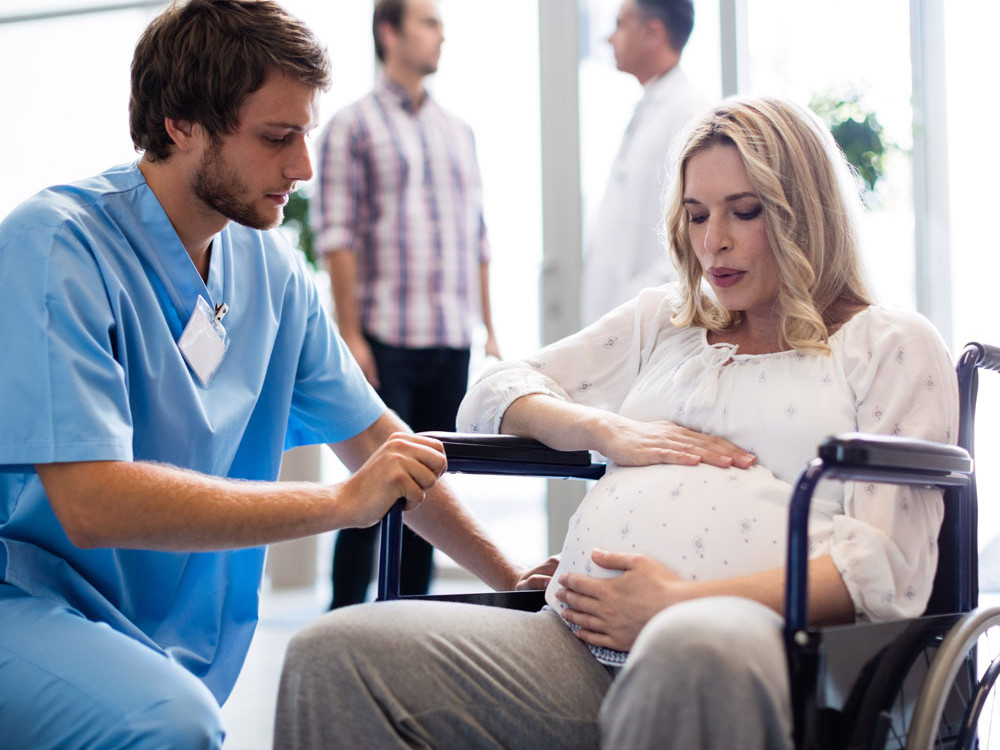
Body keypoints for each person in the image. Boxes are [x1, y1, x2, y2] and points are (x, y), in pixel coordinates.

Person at [273, 96, 959, 750]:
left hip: (765, 651)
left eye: (743, 212)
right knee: (333, 655)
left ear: (803, 213)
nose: (712, 243)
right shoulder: (667, 323)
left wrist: (677, 602)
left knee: (691, 646)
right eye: (695, 216)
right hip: (574, 643)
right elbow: (493, 391)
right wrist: (603, 431)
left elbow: (884, 567)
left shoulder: (889, 344)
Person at [0, 1, 523, 747]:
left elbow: (387, 449)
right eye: (277, 138)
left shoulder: (273, 277)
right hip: (27, 605)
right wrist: (340, 502)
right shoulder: (55, 249)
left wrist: (516, 583)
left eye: (304, 134)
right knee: (173, 726)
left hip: (154, 642)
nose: (302, 168)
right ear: (182, 124)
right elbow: (90, 502)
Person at [314, 0, 500, 608]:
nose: (441, 34)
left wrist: (489, 329)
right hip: (385, 336)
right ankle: (341, 620)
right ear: (388, 33)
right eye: (428, 22)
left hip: (449, 336)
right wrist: (351, 334)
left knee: (430, 492)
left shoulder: (459, 130)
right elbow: (336, 234)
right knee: (369, 490)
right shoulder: (352, 125)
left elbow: (478, 238)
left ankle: (411, 626)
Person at [580, 0, 708, 326]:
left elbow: (693, 228)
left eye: (620, 24)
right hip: (621, 317)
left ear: (653, 32)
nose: (609, 38)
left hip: (649, 318)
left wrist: (643, 298)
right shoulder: (651, 106)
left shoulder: (688, 112)